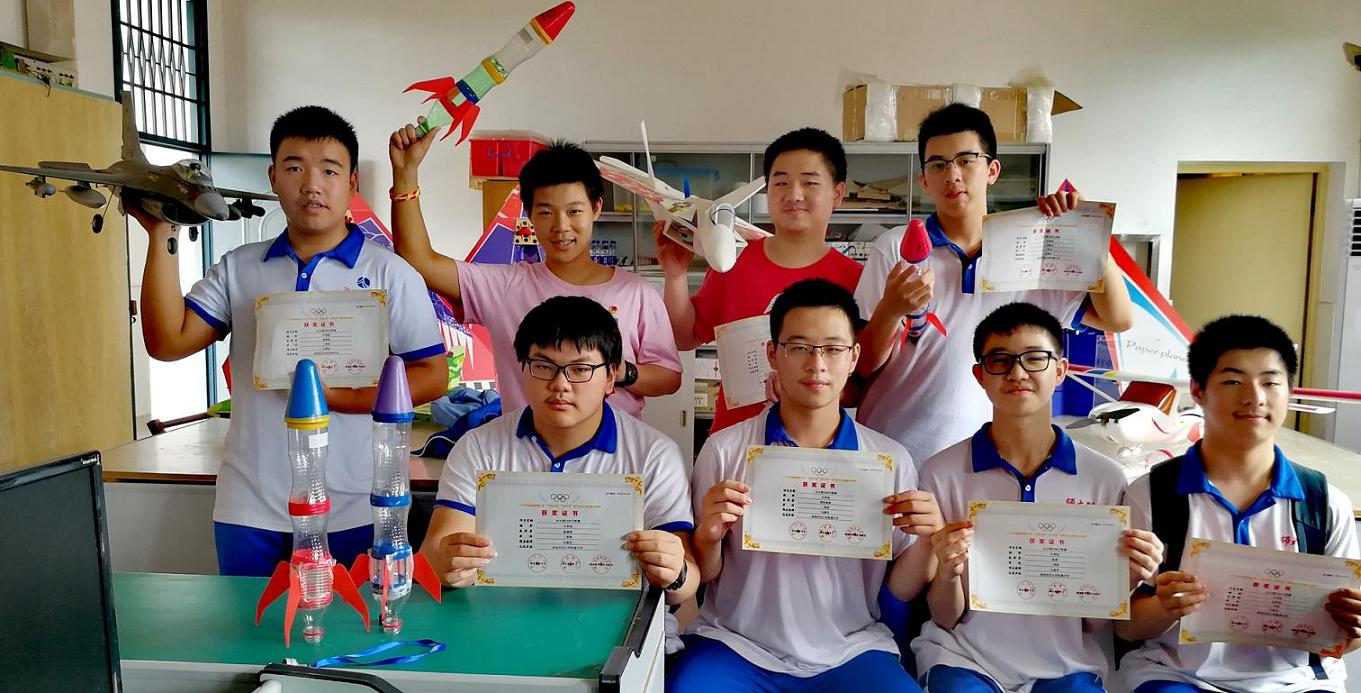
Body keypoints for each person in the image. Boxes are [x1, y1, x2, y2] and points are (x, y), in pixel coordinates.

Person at [137, 106, 447, 575]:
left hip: (355, 506)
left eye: (329, 170)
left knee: (351, 622)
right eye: (295, 168)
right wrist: (163, 232)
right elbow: (168, 342)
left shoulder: (391, 274)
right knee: (250, 623)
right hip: (249, 507)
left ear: (352, 183)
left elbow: (433, 375)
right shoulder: (240, 267)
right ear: (273, 178)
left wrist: (346, 399)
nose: (312, 185)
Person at [669, 279, 938, 691]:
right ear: (772, 354)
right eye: (799, 347)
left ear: (854, 357)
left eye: (833, 348)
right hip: (736, 645)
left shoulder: (888, 460)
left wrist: (930, 539)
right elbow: (704, 575)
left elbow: (900, 586)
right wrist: (707, 536)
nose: (817, 364)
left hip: (851, 650)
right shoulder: (725, 450)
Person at [855, 103, 1133, 466]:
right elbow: (863, 364)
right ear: (923, 179)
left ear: (992, 170)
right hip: (893, 448)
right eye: (937, 165)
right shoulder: (897, 248)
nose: (952, 174)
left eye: (966, 160)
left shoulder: (1031, 246)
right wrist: (891, 309)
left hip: (986, 458)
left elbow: (1117, 318)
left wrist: (1083, 231)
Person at [914, 302, 1161, 692]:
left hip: (1068, 665)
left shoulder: (1104, 479)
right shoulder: (940, 474)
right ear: (980, 375)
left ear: (1060, 370)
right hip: (964, 658)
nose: (1017, 373)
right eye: (1000, 361)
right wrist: (947, 570)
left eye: (1034, 358)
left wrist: (1129, 575)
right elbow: (945, 617)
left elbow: (1092, 622)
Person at [1117, 314, 1361, 693]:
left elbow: (1345, 641)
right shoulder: (1152, 494)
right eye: (1233, 381)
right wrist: (1166, 607)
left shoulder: (1325, 503)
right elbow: (1124, 627)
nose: (1254, 397)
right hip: (1177, 676)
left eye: (1270, 382)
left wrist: (1356, 627)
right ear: (1198, 390)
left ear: (1289, 391)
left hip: (1297, 683)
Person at [388, 123, 681, 418]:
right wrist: (405, 174)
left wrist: (619, 371)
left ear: (596, 208)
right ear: (529, 215)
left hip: (615, 446)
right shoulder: (505, 286)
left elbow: (669, 377)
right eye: (546, 212)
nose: (561, 226)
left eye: (574, 211)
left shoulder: (636, 292)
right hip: (524, 446)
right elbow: (420, 261)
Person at [658, 128, 863, 432]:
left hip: (815, 446)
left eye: (809, 182)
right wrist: (675, 274)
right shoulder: (734, 261)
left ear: (837, 193)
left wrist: (804, 389)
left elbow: (862, 384)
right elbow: (684, 336)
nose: (794, 194)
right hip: (735, 441)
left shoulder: (856, 279)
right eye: (781, 183)